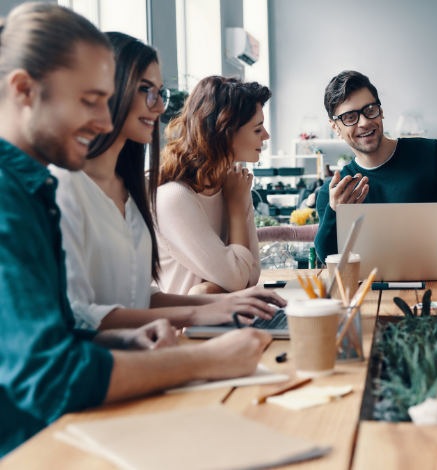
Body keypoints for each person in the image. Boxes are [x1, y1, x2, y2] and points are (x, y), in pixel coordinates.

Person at [0, 4, 271, 457]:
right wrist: (200, 359)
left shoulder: (35, 190)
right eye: (90, 101)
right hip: (36, 446)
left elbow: (62, 327)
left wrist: (121, 337)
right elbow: (48, 375)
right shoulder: (16, 197)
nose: (106, 123)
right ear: (24, 90)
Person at [51, 33, 285, 330]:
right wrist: (207, 307)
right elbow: (79, 316)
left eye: (160, 93)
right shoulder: (66, 187)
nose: (161, 107)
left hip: (150, 348)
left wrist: (225, 304)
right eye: (147, 91)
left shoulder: (130, 189)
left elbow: (141, 298)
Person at [313, 70, 437, 262]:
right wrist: (334, 211)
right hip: (371, 290)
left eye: (370, 110)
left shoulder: (431, 153)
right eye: (349, 117)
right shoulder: (336, 193)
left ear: (381, 111)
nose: (364, 122)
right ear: (335, 127)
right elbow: (327, 256)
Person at [156, 76, 270, 295]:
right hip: (185, 327)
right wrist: (236, 205)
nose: (266, 136)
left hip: (226, 318)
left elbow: (252, 273)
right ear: (225, 133)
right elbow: (238, 279)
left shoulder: (233, 183)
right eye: (257, 130)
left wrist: (209, 289)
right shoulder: (175, 197)